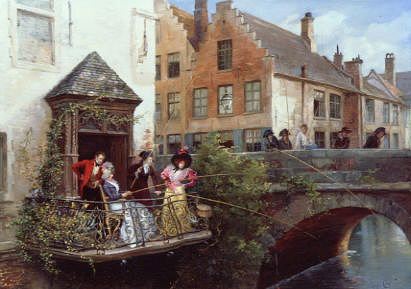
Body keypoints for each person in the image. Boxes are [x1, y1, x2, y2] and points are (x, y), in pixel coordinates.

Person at [102, 162, 158, 247]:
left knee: (140, 207)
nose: (112, 176)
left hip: (120, 202)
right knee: (132, 209)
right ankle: (132, 238)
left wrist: (125, 192)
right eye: (109, 174)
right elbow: (112, 197)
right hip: (114, 205)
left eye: (112, 173)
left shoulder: (112, 181)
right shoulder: (106, 184)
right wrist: (122, 195)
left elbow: (117, 192)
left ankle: (144, 234)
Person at [160, 149, 197, 237]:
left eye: (183, 161)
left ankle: (182, 230)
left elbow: (193, 181)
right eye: (179, 161)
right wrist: (171, 186)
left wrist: (185, 185)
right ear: (176, 161)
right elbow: (165, 179)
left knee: (180, 210)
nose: (181, 163)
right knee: (168, 209)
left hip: (180, 192)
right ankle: (169, 230)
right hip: (170, 191)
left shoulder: (188, 170)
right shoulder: (169, 168)